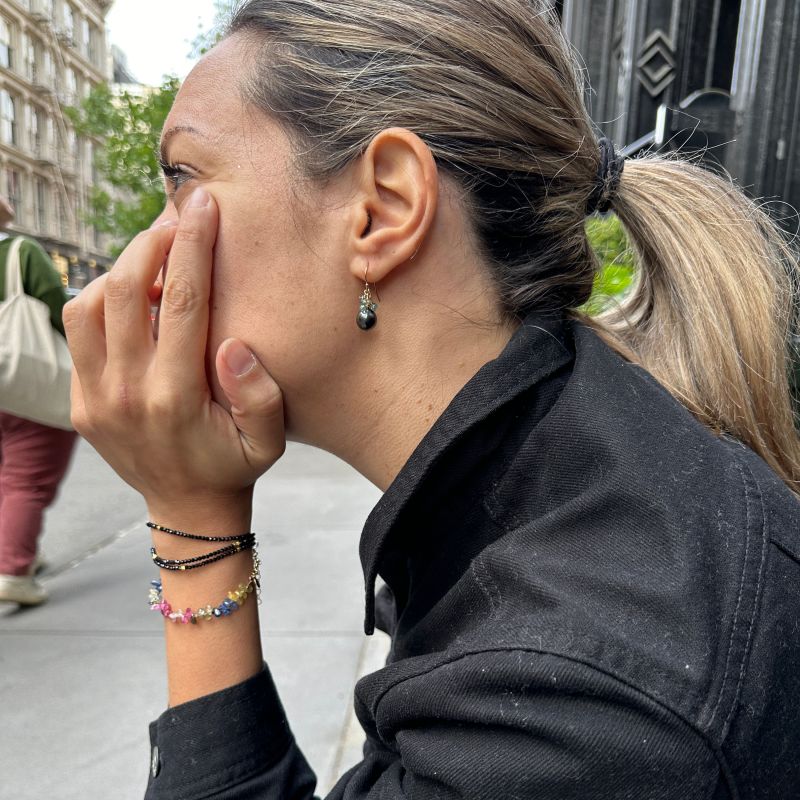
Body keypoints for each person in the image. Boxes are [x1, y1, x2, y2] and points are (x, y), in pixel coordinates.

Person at [64, 1, 800, 797]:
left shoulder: (575, 699)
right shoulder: (569, 484)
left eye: (182, 178)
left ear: (383, 209)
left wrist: (193, 522)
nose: (151, 256)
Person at [0, 197, 77, 605]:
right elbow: (58, 308)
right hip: (23, 382)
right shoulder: (19, 252)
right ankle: (12, 570)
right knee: (28, 477)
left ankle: (17, 548)